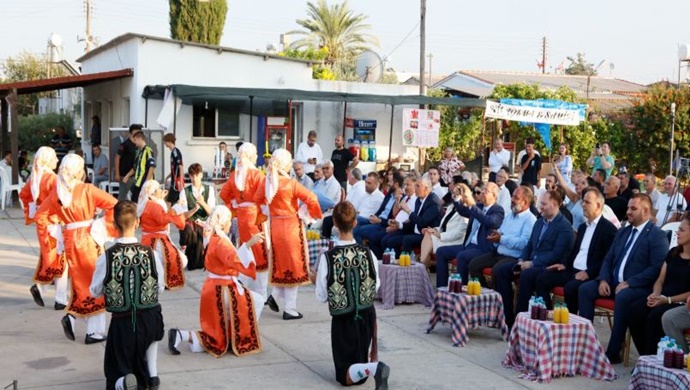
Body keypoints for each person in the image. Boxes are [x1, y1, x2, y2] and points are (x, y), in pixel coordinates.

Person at [34, 154, 118, 345]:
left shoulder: (57, 193)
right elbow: (114, 204)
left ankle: (73, 318)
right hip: (89, 238)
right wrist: (105, 226)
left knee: (81, 283)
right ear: (79, 171)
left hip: (70, 239)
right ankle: (93, 331)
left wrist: (54, 235)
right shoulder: (86, 189)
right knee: (96, 283)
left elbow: (41, 216)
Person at [578, 194, 669, 364]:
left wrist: (630, 283)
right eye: (628, 208)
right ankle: (586, 343)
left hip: (639, 287)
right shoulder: (623, 231)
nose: (628, 212)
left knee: (624, 297)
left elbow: (656, 268)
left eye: (633, 209)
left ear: (646, 210)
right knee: (585, 289)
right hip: (613, 283)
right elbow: (608, 258)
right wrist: (603, 279)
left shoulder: (657, 235)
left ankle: (614, 352)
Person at [311, 201, 390, 389]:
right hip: (366, 314)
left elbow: (322, 296)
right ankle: (371, 368)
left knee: (344, 376)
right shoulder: (368, 253)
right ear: (355, 223)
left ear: (335, 225)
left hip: (344, 319)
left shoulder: (328, 257)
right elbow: (375, 285)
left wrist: (315, 278)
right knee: (356, 366)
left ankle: (375, 369)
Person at [168, 206, 265, 358]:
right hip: (223, 289)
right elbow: (234, 261)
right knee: (257, 301)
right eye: (228, 221)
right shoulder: (221, 242)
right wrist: (249, 244)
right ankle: (240, 337)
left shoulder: (212, 238)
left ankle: (182, 335)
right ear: (224, 222)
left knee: (217, 333)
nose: (230, 224)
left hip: (213, 287)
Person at [90, 200, 165, 390]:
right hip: (150, 321)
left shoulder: (106, 257)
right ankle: (152, 376)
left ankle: (122, 383)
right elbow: (160, 287)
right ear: (137, 222)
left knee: (114, 370)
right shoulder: (151, 254)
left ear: (114, 225)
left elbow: (95, 290)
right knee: (153, 315)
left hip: (123, 323)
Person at [253, 148, 323, 320]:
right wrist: (307, 214)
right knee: (294, 267)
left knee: (282, 265)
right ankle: (290, 308)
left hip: (275, 226)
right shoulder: (290, 184)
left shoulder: (267, 182)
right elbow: (312, 198)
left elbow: (257, 200)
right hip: (291, 227)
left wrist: (267, 213)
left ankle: (275, 297)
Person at [493, 190, 574, 328]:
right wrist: (521, 260)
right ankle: (507, 318)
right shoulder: (539, 222)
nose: (539, 207)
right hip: (529, 261)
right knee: (501, 271)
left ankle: (521, 322)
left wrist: (532, 263)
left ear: (555, 205)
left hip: (548, 266)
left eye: (543, 204)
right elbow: (530, 245)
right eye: (540, 203)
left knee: (527, 275)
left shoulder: (564, 227)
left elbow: (556, 254)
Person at [534, 187, 617, 312]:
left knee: (571, 287)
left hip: (590, 274)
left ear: (598, 205)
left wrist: (589, 273)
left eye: (587, 202)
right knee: (542, 278)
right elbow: (574, 252)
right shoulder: (583, 227)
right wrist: (564, 264)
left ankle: (570, 325)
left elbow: (608, 260)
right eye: (583, 201)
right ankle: (547, 317)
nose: (583, 205)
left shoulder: (608, 229)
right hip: (572, 270)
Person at [626, 216, 690, 356]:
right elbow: (660, 279)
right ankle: (646, 357)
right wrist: (655, 294)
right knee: (634, 311)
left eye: (682, 230)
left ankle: (654, 357)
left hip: (680, 303)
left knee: (655, 316)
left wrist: (667, 300)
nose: (677, 232)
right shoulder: (673, 253)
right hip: (662, 297)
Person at [219, 143, 272, 309]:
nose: (257, 157)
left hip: (242, 216)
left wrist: (235, 205)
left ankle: (244, 284)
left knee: (245, 249)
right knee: (260, 253)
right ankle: (260, 293)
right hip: (255, 216)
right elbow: (266, 196)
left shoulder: (235, 175)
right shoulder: (257, 174)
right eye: (255, 154)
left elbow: (223, 194)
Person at [19, 147, 68, 310]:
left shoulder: (35, 177)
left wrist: (34, 211)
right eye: (54, 157)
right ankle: (59, 298)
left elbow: (24, 195)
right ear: (48, 160)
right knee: (60, 260)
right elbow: (60, 201)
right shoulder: (52, 178)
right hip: (54, 223)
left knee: (50, 258)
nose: (57, 160)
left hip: (43, 224)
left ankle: (43, 288)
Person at [435, 182, 505, 287]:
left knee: (461, 256)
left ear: (494, 195)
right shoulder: (479, 206)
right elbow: (464, 211)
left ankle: (460, 290)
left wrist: (472, 205)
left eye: (486, 190)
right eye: (482, 189)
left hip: (482, 248)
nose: (482, 192)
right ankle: (441, 287)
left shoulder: (498, 210)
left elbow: (490, 222)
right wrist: (457, 198)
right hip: (468, 245)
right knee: (441, 251)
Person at [466, 185, 536, 287]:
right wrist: (495, 237)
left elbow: (523, 243)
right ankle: (486, 295)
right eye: (512, 196)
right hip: (498, 253)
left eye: (516, 198)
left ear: (525, 202)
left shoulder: (530, 219)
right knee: (473, 265)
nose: (512, 199)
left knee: (497, 271)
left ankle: (502, 300)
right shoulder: (510, 216)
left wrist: (501, 239)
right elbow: (500, 232)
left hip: (513, 257)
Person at [138, 180, 189, 290]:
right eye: (159, 189)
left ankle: (158, 277)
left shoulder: (151, 203)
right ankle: (161, 279)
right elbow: (163, 218)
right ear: (152, 193)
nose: (162, 190)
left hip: (151, 239)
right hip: (157, 240)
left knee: (176, 260)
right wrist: (176, 209)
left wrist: (163, 199)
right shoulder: (153, 205)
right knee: (181, 260)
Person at [380, 176, 443, 259]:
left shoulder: (433, 202)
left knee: (406, 239)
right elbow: (414, 221)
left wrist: (408, 211)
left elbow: (422, 222)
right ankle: (392, 264)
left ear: (426, 188)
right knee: (387, 239)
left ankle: (406, 266)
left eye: (418, 186)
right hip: (414, 231)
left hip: (427, 234)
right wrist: (399, 225)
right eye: (415, 185)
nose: (415, 188)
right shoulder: (419, 200)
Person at [418, 177, 469, 267]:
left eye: (455, 194)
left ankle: (422, 265)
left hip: (454, 241)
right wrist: (433, 230)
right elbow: (443, 226)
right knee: (427, 233)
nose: (453, 196)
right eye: (452, 194)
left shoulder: (466, 209)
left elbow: (459, 234)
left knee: (428, 241)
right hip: (444, 236)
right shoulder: (451, 207)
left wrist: (439, 235)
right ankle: (423, 265)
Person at [180, 163, 215, 271]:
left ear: (201, 175)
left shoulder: (209, 190)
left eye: (196, 175)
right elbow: (183, 215)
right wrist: (194, 209)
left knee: (200, 260)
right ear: (189, 176)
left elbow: (212, 213)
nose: (194, 178)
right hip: (192, 223)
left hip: (205, 223)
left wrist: (203, 204)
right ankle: (187, 251)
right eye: (192, 176)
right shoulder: (184, 191)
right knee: (187, 229)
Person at [123, 131, 156, 202]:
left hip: (144, 183)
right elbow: (135, 167)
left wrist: (147, 183)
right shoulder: (140, 152)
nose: (134, 142)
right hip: (138, 182)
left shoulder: (148, 150)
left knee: (143, 203)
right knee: (135, 201)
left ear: (140, 138)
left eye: (135, 140)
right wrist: (127, 176)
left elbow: (152, 166)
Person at [115, 125, 141, 201]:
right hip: (125, 176)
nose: (136, 135)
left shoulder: (138, 145)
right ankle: (118, 211)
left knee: (137, 196)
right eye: (135, 133)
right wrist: (117, 174)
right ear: (130, 133)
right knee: (122, 197)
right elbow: (117, 158)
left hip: (135, 176)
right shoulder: (124, 144)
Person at [163, 133, 184, 204]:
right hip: (174, 181)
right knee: (177, 201)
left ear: (169, 141)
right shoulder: (172, 152)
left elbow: (180, 166)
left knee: (169, 201)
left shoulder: (175, 152)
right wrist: (167, 177)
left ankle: (166, 215)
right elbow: (174, 169)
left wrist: (181, 181)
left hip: (176, 182)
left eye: (165, 141)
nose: (164, 143)